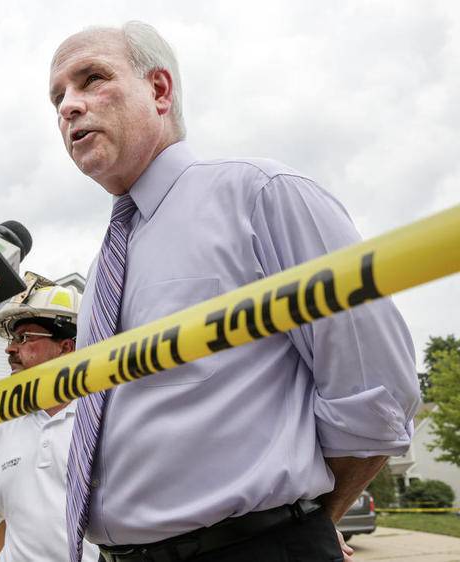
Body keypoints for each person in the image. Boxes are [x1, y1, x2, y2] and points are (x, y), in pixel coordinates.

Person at [49, 21, 421, 562]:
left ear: (159, 90)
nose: (68, 106)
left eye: (90, 79)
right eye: (58, 96)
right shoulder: (105, 266)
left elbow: (377, 391)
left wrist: (301, 525)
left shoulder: (262, 197)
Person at [0, 275, 100, 562]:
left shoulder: (101, 419)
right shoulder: (1, 430)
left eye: (25, 338)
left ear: (67, 348)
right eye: (12, 339)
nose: (10, 349)